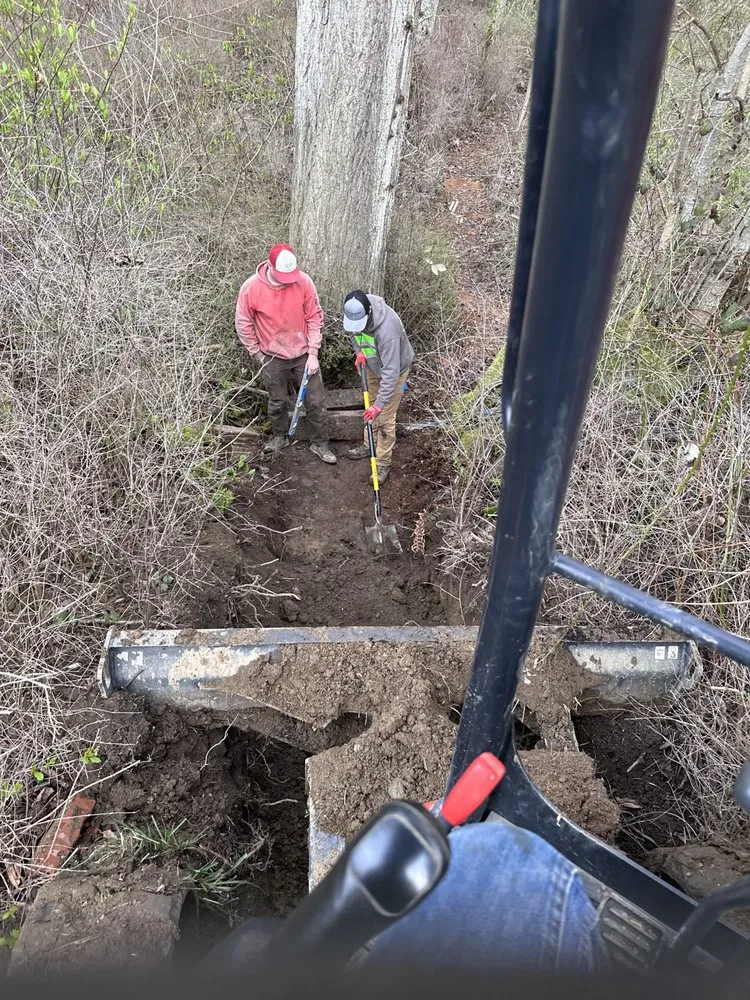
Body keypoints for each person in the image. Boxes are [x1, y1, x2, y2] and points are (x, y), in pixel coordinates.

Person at [235, 243, 336, 464]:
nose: (287, 281)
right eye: (283, 277)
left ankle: (320, 443)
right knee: (277, 400)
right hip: (271, 356)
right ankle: (279, 437)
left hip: (303, 353)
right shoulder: (251, 288)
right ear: (271, 267)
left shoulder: (304, 282)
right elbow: (243, 323)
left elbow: (314, 317)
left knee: (315, 400)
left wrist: (313, 353)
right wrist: (257, 354)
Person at [342, 290, 414, 484]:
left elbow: (391, 373)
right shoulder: (354, 311)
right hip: (371, 363)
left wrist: (379, 405)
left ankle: (382, 462)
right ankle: (369, 445)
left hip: (394, 370)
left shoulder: (388, 331)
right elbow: (353, 334)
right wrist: (359, 352)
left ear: (369, 312)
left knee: (384, 417)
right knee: (370, 406)